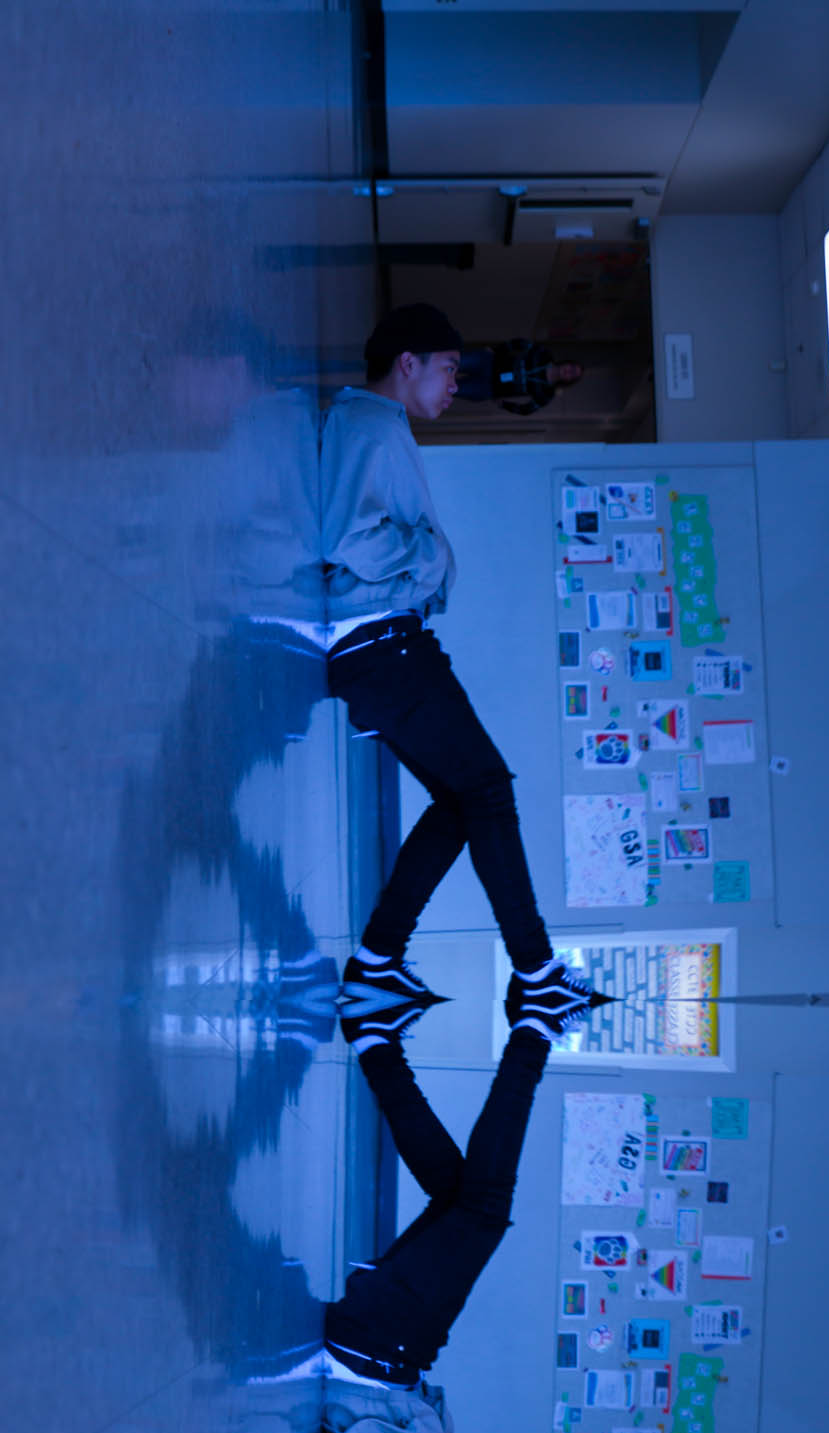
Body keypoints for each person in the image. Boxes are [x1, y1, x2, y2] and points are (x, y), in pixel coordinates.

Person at [224, 989, 586, 1433]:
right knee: (459, 1198)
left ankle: (534, 1028)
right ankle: (376, 1040)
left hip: (379, 1354)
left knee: (484, 1210)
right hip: (381, 1355)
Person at [318, 302, 605, 1035]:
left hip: (386, 644)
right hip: (382, 644)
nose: (456, 383)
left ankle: (379, 960)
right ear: (407, 363)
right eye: (447, 368)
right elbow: (349, 537)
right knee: (486, 791)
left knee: (462, 801)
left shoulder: (377, 425)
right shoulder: (369, 426)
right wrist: (430, 556)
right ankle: (536, 974)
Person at [457, 340, 585, 416]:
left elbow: (526, 410)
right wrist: (496, 350)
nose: (569, 371)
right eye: (572, 367)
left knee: (452, 389)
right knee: (451, 364)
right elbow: (520, 343)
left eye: (572, 375)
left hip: (488, 388)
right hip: (488, 362)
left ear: (568, 381)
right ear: (567, 363)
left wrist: (504, 404)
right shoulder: (545, 355)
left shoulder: (547, 393)